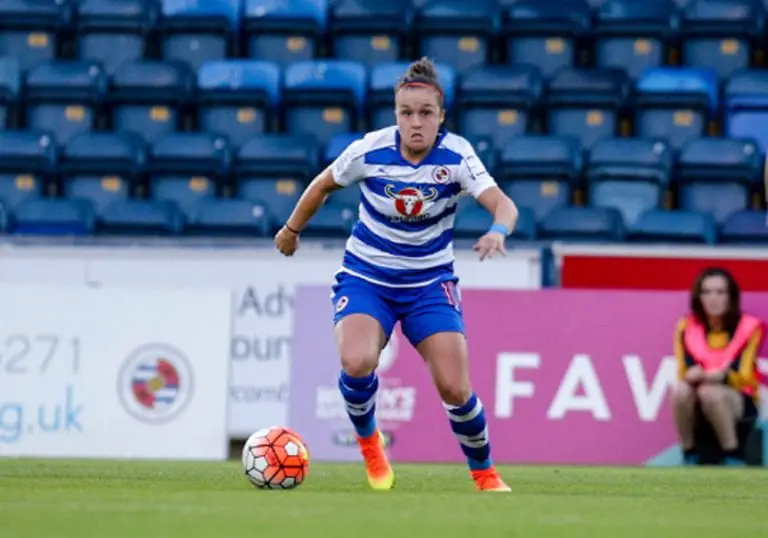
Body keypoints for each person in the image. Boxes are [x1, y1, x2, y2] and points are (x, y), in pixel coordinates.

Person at [274, 57, 519, 491]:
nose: (416, 122)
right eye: (407, 113)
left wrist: (498, 230)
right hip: (367, 276)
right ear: (396, 115)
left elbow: (504, 204)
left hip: (428, 284)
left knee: (455, 389)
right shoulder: (369, 150)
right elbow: (322, 185)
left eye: (426, 113)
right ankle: (371, 444)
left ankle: (485, 473)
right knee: (357, 361)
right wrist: (292, 229)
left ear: (441, 116)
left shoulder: (457, 155)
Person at [671, 267, 765, 466]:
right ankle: (689, 454)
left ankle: (732, 454)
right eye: (707, 292)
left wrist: (722, 377)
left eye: (720, 292)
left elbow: (746, 376)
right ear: (699, 297)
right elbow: (682, 370)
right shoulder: (686, 326)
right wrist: (690, 375)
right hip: (698, 395)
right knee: (680, 391)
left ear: (731, 297)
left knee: (710, 392)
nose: (713, 298)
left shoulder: (750, 326)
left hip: (738, 398)